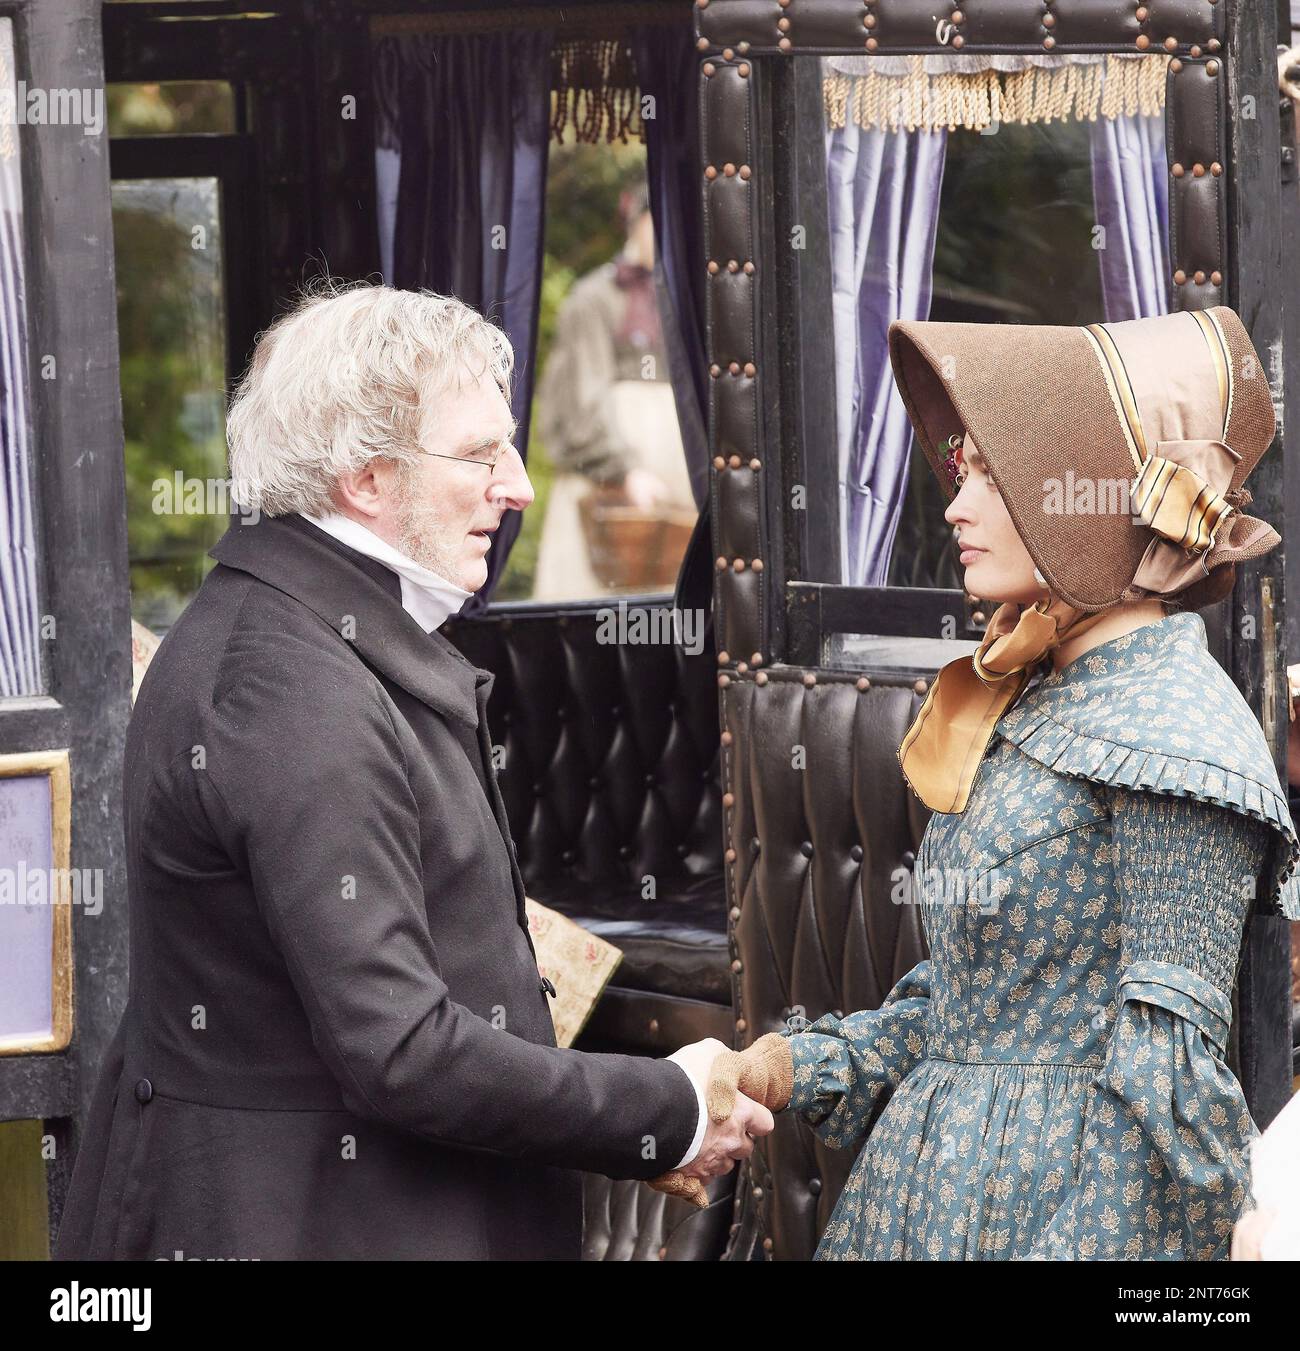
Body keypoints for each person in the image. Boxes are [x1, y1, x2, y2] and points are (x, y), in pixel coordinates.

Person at [55, 281, 772, 1262]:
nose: (517, 486)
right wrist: (669, 1107)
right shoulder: (290, 686)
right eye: (479, 454)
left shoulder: (294, 630)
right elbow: (400, 1050)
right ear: (365, 478)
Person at [658, 305, 1300, 1260]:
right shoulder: (1035, 689)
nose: (954, 506)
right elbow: (966, 1012)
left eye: (991, 478)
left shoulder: (1180, 736)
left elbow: (1165, 1105)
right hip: (928, 1202)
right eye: (962, 475)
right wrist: (785, 1068)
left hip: (1053, 1219)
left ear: (1087, 501)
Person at [531, 183, 694, 599]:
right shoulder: (593, 299)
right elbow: (581, 398)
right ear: (638, 222)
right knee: (594, 605)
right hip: (606, 491)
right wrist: (623, 470)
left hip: (677, 499)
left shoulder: (688, 299)